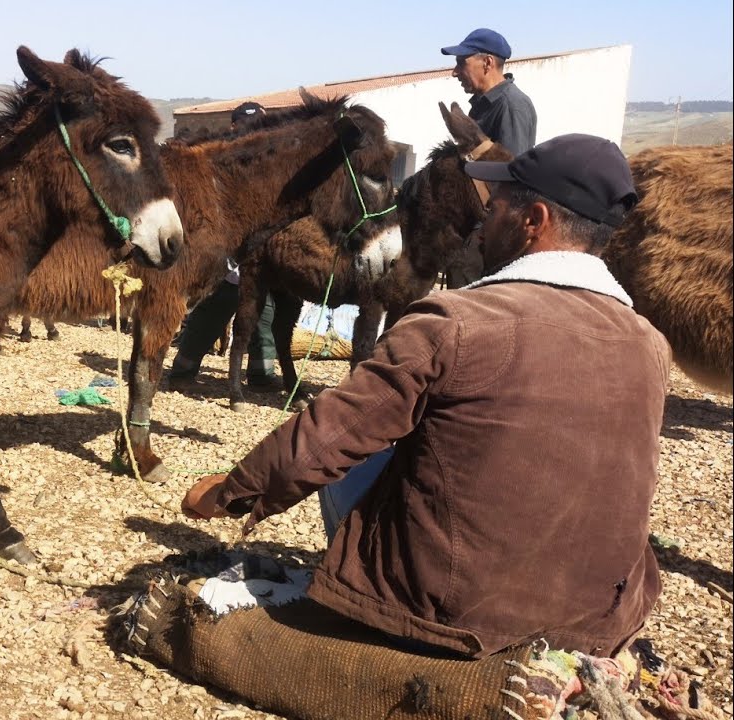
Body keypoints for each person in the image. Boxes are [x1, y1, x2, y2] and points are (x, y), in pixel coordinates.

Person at [183, 134, 664, 659]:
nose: (484, 221)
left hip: (451, 611)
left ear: (534, 220)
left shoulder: (457, 321)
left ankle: (388, 612)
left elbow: (333, 433)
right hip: (603, 621)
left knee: (363, 448)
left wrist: (231, 491)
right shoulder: (650, 344)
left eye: (498, 207)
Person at [167, 101, 279, 388]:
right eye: (249, 125)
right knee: (217, 306)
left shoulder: (268, 161)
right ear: (234, 127)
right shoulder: (219, 159)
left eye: (260, 125)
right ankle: (183, 370)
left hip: (259, 245)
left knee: (263, 309)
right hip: (226, 244)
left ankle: (261, 373)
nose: (255, 131)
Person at [441, 28, 537, 155]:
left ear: (487, 62)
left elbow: (510, 170)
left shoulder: (511, 105)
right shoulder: (484, 104)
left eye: (461, 63)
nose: (455, 72)